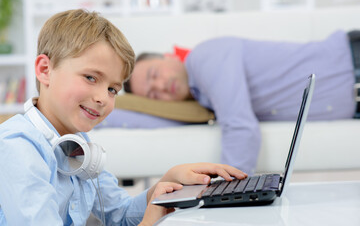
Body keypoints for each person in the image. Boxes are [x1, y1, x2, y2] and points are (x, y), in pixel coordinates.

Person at [0, 9, 247, 226]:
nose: (102, 98)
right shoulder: (18, 147)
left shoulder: (79, 147)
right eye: (91, 78)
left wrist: (164, 187)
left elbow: (121, 215)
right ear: (45, 70)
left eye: (112, 89)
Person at [124, 30, 357, 175]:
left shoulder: (204, 58)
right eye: (154, 95)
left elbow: (241, 128)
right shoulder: (203, 102)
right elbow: (155, 121)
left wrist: (228, 197)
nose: (162, 86)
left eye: (154, 75)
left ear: (168, 56)